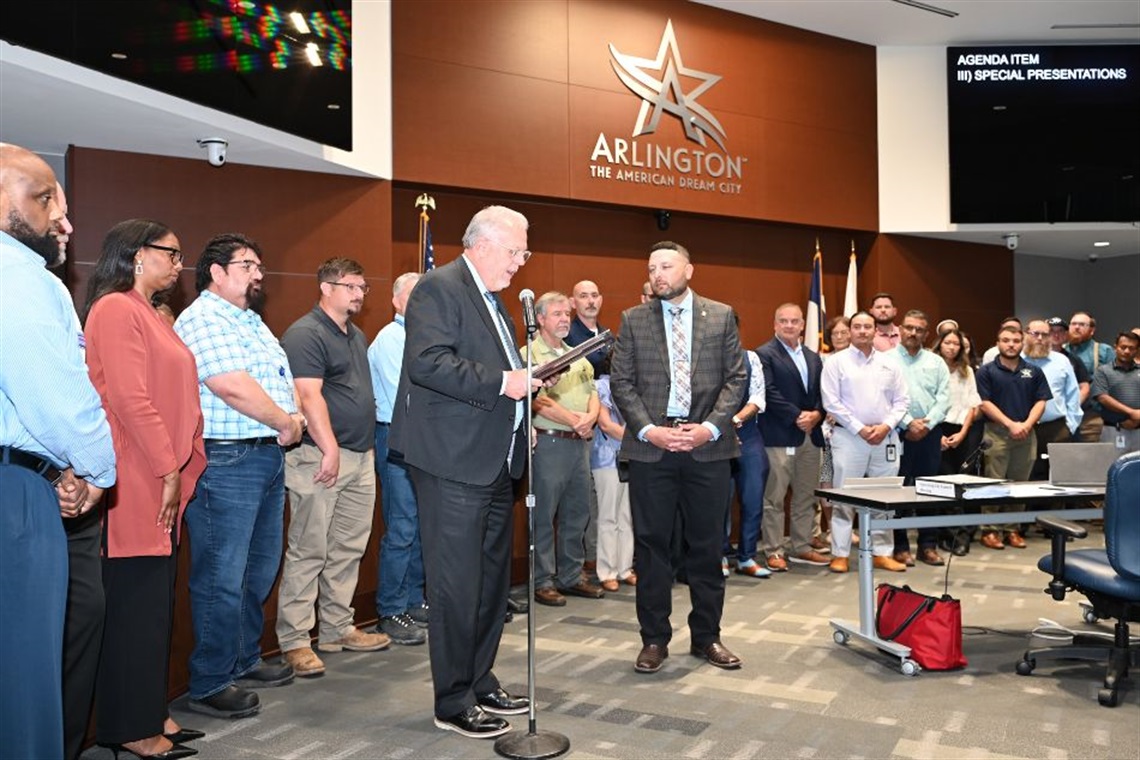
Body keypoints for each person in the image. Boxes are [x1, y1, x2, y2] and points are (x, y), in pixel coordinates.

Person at [388, 205, 537, 739]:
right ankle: (451, 700)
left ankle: (479, 677)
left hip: (495, 459)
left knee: (491, 583)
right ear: (484, 243)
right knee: (456, 585)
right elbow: (427, 362)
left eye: (524, 252)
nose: (521, 262)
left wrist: (521, 413)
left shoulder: (492, 300)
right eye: (517, 251)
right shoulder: (439, 287)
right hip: (451, 461)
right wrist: (505, 383)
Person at [0, 143, 115, 760]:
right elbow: (57, 399)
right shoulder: (19, 276)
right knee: (22, 673)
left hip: (30, 476)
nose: (61, 218)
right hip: (13, 497)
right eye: (44, 198)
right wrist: (93, 468)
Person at [84, 219, 207, 759]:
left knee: (154, 604)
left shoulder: (151, 314)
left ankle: (148, 709)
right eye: (171, 253)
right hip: (138, 477)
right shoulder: (115, 309)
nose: (180, 264)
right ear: (136, 254)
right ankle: (131, 727)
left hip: (159, 474)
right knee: (135, 605)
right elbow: (132, 401)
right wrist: (167, 469)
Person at [174, 234, 305, 718]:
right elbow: (232, 386)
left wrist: (290, 420)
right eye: (247, 264)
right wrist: (287, 422)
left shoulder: (249, 321)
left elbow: (274, 380)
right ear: (216, 271)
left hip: (264, 457)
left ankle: (244, 657)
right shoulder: (204, 318)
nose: (258, 273)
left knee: (257, 569)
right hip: (228, 460)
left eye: (258, 264)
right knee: (221, 577)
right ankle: (210, 680)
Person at [610, 240, 747, 674]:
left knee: (707, 548)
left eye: (666, 266)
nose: (657, 274)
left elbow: (736, 378)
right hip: (653, 450)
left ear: (689, 269)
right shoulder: (633, 320)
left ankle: (707, 637)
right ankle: (654, 639)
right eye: (652, 268)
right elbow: (622, 382)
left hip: (708, 448)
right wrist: (652, 431)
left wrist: (709, 428)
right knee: (652, 550)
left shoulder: (721, 315)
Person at [276, 258, 389, 677]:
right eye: (350, 286)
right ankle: (294, 640)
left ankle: (338, 627)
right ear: (326, 287)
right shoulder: (306, 333)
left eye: (363, 287)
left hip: (359, 456)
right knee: (309, 548)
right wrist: (329, 448)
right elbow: (307, 396)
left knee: (348, 547)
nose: (359, 294)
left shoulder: (355, 334)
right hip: (320, 456)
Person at [526, 291, 602, 606]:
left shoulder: (578, 355)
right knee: (544, 514)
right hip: (549, 443)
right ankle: (542, 580)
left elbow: (594, 392)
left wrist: (592, 417)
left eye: (565, 314)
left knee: (577, 512)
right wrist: (574, 420)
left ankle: (571, 576)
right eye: (556, 314)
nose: (563, 319)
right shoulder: (529, 354)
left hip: (578, 445)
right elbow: (537, 399)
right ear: (540, 318)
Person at [820, 311, 909, 574]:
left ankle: (882, 552)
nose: (862, 331)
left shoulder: (890, 363)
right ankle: (840, 553)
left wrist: (886, 426)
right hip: (849, 439)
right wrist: (860, 429)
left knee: (883, 497)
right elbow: (831, 402)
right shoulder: (836, 362)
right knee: (844, 497)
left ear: (874, 331)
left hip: (885, 437)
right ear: (850, 331)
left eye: (867, 327)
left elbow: (902, 401)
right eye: (856, 326)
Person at [368, 272, 429, 646]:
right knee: (403, 526)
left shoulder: (422, 337)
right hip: (396, 437)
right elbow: (404, 397)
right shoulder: (392, 339)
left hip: (420, 439)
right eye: (415, 295)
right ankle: (390, 609)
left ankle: (414, 599)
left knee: (420, 525)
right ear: (396, 301)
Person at [756, 304, 827, 573]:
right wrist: (799, 415)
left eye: (794, 321)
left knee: (806, 496)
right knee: (774, 497)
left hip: (811, 436)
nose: (788, 325)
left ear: (802, 325)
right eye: (783, 321)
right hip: (779, 435)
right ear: (775, 324)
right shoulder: (764, 354)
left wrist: (817, 414)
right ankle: (774, 550)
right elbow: (769, 392)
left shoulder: (813, 356)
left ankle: (802, 546)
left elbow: (823, 392)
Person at [975, 325, 1050, 550]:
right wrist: (1010, 424)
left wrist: (1025, 425)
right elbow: (984, 403)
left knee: (1020, 484)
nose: (1011, 344)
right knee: (993, 482)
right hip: (997, 433)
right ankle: (989, 530)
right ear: (998, 343)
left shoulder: (1033, 371)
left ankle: (1012, 529)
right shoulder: (986, 371)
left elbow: (1041, 401)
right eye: (1006, 340)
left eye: (1015, 341)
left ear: (1022, 343)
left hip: (1026, 433)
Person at [892, 310, 950, 567]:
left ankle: (928, 545)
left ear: (926, 334)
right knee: (899, 491)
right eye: (909, 327)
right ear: (900, 330)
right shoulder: (885, 360)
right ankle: (900, 545)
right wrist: (907, 423)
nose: (913, 333)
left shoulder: (936, 362)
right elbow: (882, 396)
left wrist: (927, 424)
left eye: (919, 329)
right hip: (897, 431)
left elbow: (945, 397)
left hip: (930, 431)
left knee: (930, 490)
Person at [565, 279, 608, 574]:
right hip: (578, 423)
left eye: (594, 295)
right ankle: (584, 559)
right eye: (583, 296)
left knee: (603, 495)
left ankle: (601, 557)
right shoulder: (568, 336)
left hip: (609, 425)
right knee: (582, 496)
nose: (590, 301)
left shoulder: (608, 335)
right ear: (572, 302)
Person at [932, 328, 982, 556]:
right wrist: (938, 434)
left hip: (963, 431)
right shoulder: (930, 368)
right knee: (943, 485)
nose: (951, 347)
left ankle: (963, 534)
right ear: (940, 345)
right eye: (947, 343)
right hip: (937, 428)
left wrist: (963, 432)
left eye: (956, 344)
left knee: (964, 483)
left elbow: (973, 404)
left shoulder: (967, 371)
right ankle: (946, 535)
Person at [725, 328, 769, 578]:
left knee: (753, 498)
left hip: (748, 436)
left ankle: (747, 557)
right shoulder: (705, 358)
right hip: (715, 438)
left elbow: (758, 398)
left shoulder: (750, 358)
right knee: (718, 501)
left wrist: (736, 419)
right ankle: (720, 554)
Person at [591, 355, 635, 592]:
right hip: (607, 457)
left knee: (627, 516)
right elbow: (605, 424)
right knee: (608, 516)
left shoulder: (631, 388)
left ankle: (624, 568)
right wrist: (636, 440)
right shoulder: (600, 386)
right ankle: (606, 571)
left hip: (631, 457)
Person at [1023, 319, 1082, 480]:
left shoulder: (1061, 361)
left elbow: (1073, 395)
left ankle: (1056, 507)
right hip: (1024, 429)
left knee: (1059, 479)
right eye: (1035, 334)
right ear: (1025, 334)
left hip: (1057, 429)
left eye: (1045, 334)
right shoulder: (1016, 361)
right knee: (1026, 477)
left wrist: (1071, 425)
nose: (1040, 338)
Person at [1067, 312, 1115, 442]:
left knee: (1090, 459)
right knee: (1062, 458)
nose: (1076, 327)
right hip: (1063, 418)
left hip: (1091, 416)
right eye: (1073, 324)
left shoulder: (1104, 351)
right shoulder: (1060, 351)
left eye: (1082, 324)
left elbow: (1114, 383)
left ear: (1092, 330)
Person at [1092, 331, 1140, 454]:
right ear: (1115, 348)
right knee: (1110, 469)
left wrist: (1136, 419)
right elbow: (1102, 397)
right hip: (1113, 429)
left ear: (1137, 350)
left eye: (1132, 348)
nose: (1127, 351)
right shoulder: (1103, 371)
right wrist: (1131, 413)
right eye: (1123, 347)